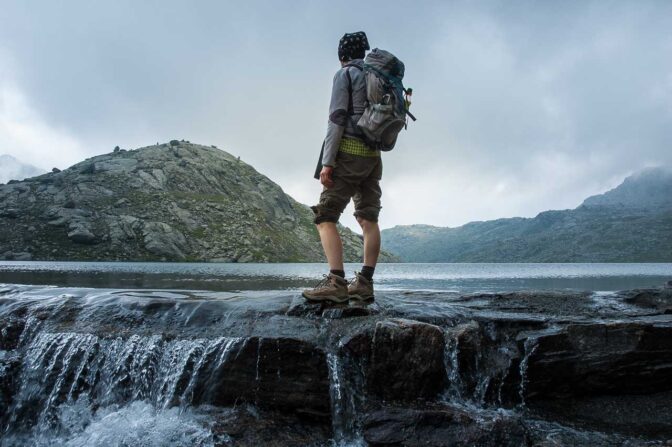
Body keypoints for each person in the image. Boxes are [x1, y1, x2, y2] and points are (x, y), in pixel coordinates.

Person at [302, 31, 382, 304]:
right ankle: (365, 283)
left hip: (347, 153)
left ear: (342, 56)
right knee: (368, 218)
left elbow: (336, 118)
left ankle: (336, 282)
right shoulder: (377, 76)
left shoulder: (344, 74)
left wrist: (327, 162)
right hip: (373, 156)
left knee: (325, 217)